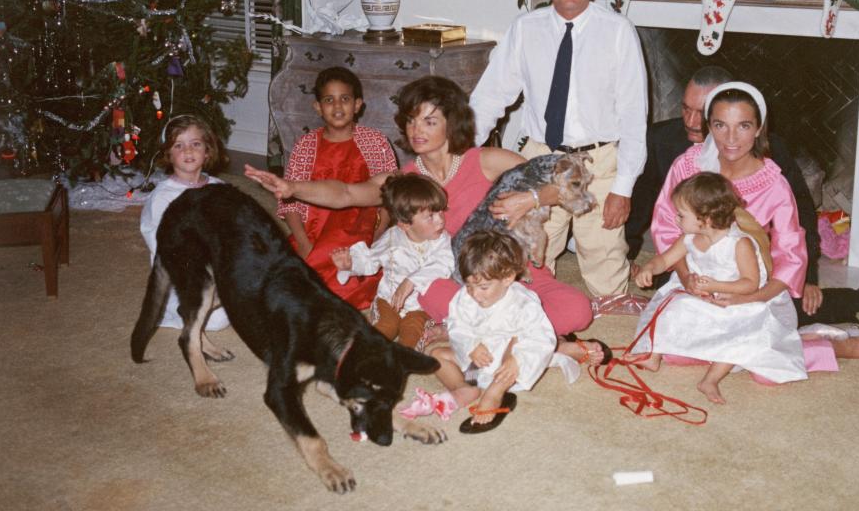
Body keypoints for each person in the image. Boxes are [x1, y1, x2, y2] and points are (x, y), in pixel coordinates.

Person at [245, 75, 608, 365]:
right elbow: (345, 193)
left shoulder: (485, 160)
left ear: (452, 125)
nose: (417, 129)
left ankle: (488, 340)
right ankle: (536, 344)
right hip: (454, 284)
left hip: (512, 270)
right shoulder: (404, 181)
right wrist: (291, 186)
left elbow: (563, 180)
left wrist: (529, 199)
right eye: (412, 119)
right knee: (427, 291)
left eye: (430, 120)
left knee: (578, 311)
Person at [628, 66, 859, 327]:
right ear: (710, 125)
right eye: (720, 125)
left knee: (791, 313)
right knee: (673, 331)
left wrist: (773, 291)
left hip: (752, 276)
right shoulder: (687, 165)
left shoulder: (773, 178)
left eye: (743, 126)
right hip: (695, 267)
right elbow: (667, 228)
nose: (731, 138)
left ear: (758, 128)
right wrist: (688, 278)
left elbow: (791, 244)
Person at [469, 0, 648, 298]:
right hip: (542, 159)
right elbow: (488, 99)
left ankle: (609, 314)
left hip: (599, 162)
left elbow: (633, 116)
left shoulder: (617, 32)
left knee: (604, 264)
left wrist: (623, 188)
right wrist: (459, 159)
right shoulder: (525, 29)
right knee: (527, 263)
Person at [629, 172, 806, 404]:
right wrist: (649, 269)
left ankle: (711, 379)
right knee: (671, 307)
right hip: (701, 297)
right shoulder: (689, 238)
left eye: (681, 215)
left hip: (737, 299)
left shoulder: (739, 243)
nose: (676, 219)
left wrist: (716, 285)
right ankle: (653, 356)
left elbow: (750, 283)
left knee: (742, 331)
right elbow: (664, 260)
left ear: (706, 219)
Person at [277, 66, 397, 309]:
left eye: (345, 99)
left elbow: (391, 196)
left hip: (361, 232)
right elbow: (288, 201)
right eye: (329, 100)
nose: (338, 106)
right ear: (318, 107)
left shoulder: (375, 142)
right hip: (315, 231)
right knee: (296, 281)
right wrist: (303, 244)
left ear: (357, 105)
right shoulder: (305, 145)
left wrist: (379, 233)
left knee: (357, 281)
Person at [430, 231, 573, 433]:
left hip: (507, 359)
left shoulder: (523, 302)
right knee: (436, 356)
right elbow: (457, 324)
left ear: (507, 278)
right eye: (469, 286)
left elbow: (538, 337)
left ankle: (495, 392)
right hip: (478, 357)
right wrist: (470, 345)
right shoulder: (465, 297)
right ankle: (463, 387)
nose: (475, 294)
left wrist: (516, 360)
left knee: (516, 349)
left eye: (483, 287)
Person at [331, 175, 454, 349]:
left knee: (411, 337)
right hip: (389, 299)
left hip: (420, 307)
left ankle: (399, 365)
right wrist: (350, 265)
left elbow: (443, 264)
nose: (440, 220)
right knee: (383, 330)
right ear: (404, 225)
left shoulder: (443, 240)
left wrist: (411, 281)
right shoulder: (392, 238)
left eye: (440, 211)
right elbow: (370, 260)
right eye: (430, 216)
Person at [140, 114, 229, 331]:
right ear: (168, 155)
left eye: (195, 144)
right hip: (182, 276)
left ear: (207, 150)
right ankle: (174, 313)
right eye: (179, 145)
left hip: (218, 269)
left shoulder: (219, 187)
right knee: (216, 321)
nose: (188, 151)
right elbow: (160, 244)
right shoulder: (163, 197)